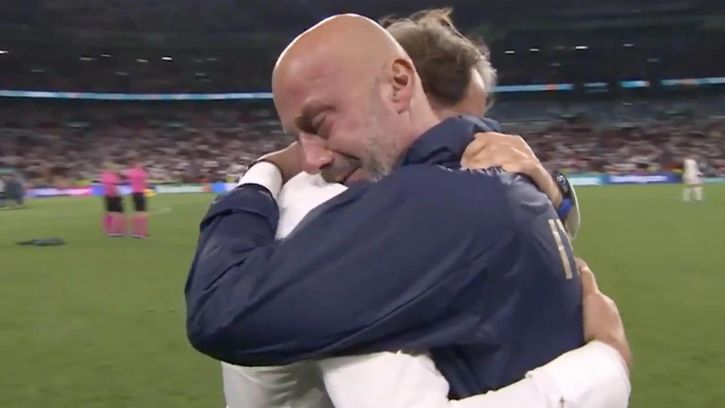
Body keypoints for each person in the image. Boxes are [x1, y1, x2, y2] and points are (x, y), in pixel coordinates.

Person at [185, 14, 627, 400]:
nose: (481, 141)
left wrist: (261, 177)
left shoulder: (447, 204)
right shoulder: (451, 201)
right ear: (402, 86)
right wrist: (603, 369)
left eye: (478, 123)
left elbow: (220, 310)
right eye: (463, 123)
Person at [125, 161, 149, 238]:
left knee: (136, 213)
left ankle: (135, 232)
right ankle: (142, 232)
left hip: (134, 194)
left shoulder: (131, 172)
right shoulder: (142, 173)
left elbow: (125, 175)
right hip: (140, 194)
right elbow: (145, 184)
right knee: (143, 213)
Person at [101, 165, 124, 237]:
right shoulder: (112, 177)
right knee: (118, 214)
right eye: (115, 169)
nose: (116, 171)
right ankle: (116, 231)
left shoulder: (104, 176)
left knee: (109, 213)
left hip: (108, 196)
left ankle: (109, 230)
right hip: (114, 197)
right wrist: (118, 196)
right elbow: (115, 187)